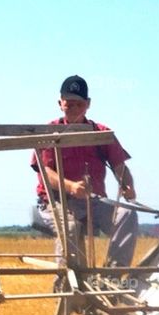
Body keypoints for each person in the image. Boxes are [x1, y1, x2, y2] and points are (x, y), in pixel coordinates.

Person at [31, 75, 139, 271]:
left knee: (127, 214)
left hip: (93, 202)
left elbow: (119, 166)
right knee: (71, 229)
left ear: (88, 104)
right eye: (69, 104)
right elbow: (45, 173)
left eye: (78, 104)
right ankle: (70, 285)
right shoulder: (49, 131)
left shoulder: (100, 132)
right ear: (60, 103)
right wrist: (71, 187)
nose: (73, 108)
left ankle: (111, 278)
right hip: (55, 202)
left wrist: (127, 185)